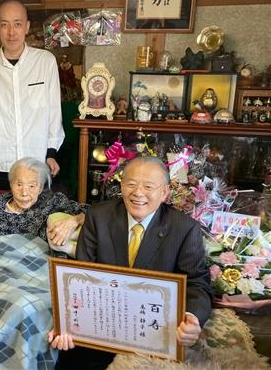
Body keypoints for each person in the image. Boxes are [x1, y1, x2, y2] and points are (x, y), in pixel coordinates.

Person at [50, 156, 212, 369]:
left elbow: (197, 283)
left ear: (164, 193)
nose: (138, 193)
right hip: (100, 328)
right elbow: (82, 277)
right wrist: (66, 322)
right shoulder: (98, 216)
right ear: (121, 186)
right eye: (131, 184)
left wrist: (192, 319)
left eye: (148, 186)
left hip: (151, 335)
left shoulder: (184, 228)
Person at [0, 157, 87, 369]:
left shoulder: (53, 202)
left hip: (36, 269)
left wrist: (73, 220)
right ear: (10, 184)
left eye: (32, 185)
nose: (24, 192)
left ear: (41, 187)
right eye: (19, 184)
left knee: (24, 306)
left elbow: (93, 212)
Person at [0, 0, 64, 190]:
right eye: (5, 25)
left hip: (37, 163)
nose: (11, 32)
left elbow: (54, 112)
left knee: (38, 217)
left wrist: (51, 153)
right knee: (0, 217)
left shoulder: (45, 62)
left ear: (27, 27)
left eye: (17, 24)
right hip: (0, 163)